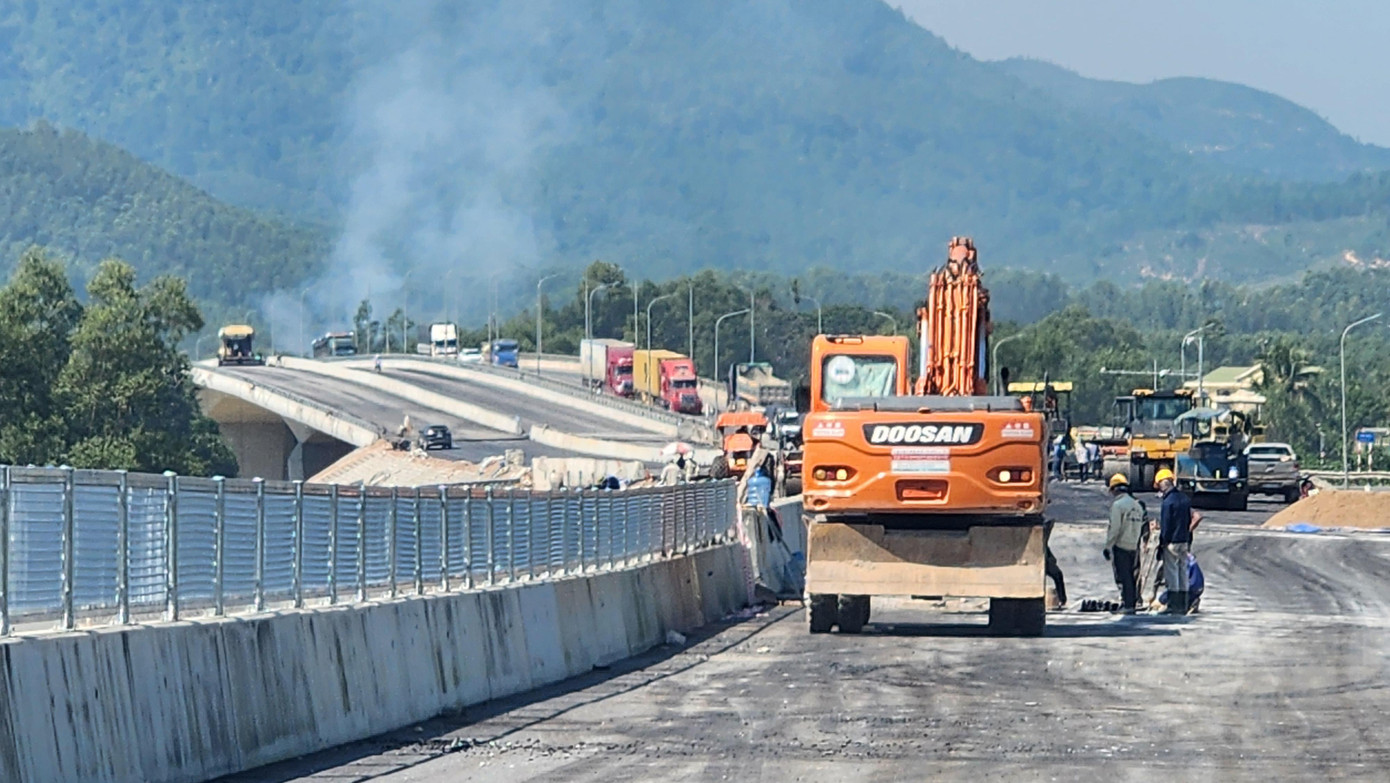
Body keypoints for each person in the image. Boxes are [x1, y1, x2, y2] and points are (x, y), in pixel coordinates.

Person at [1103, 473, 1145, 611]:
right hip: (1133, 545)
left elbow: (1115, 528)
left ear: (1115, 489)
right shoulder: (1137, 505)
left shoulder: (1118, 505)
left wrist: (1108, 546)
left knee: (1123, 576)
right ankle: (1131, 602)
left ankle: (1128, 605)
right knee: (1131, 576)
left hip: (1120, 545)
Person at [1156, 467, 1193, 614]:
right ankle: (1184, 604)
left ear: (1163, 484)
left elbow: (1166, 525)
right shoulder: (1184, 499)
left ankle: (1173, 605)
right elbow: (1188, 521)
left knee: (1171, 573)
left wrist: (1162, 543)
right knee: (1183, 571)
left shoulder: (1168, 502)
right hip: (1184, 540)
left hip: (1171, 542)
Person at [1044, 519, 1067, 607]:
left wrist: (1051, 557)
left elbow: (1045, 546)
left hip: (1045, 557)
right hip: (1042, 559)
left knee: (1058, 575)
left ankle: (1061, 599)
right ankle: (1061, 599)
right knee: (1057, 575)